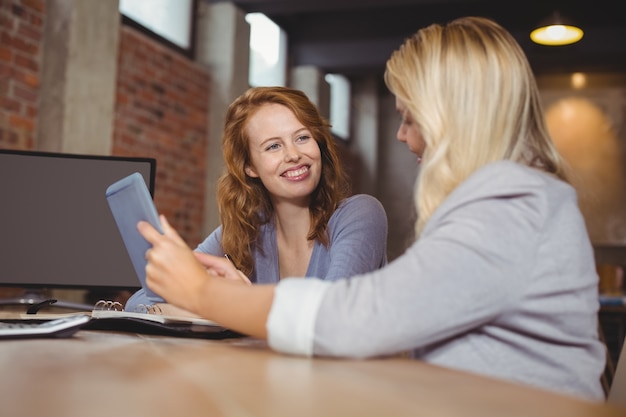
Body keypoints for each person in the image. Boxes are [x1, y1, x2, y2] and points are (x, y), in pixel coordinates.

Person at [137, 17, 606, 400]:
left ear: (453, 114)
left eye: (409, 117)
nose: (403, 135)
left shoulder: (510, 207)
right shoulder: (507, 200)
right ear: (250, 167)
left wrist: (205, 295)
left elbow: (358, 320)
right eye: (273, 146)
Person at [125, 86, 388, 312]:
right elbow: (139, 300)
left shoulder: (360, 215)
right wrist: (208, 302)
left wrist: (230, 301)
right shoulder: (244, 230)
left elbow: (330, 317)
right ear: (249, 166)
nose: (293, 154)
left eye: (303, 137)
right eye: (273, 146)